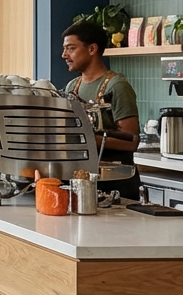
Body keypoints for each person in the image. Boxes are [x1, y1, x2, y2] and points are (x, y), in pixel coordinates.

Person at [61, 20, 142, 199]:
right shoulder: (72, 87)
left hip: (117, 185)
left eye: (71, 48)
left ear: (92, 49)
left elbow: (131, 140)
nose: (64, 55)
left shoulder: (117, 86)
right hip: (81, 180)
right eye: (65, 49)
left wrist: (85, 138)